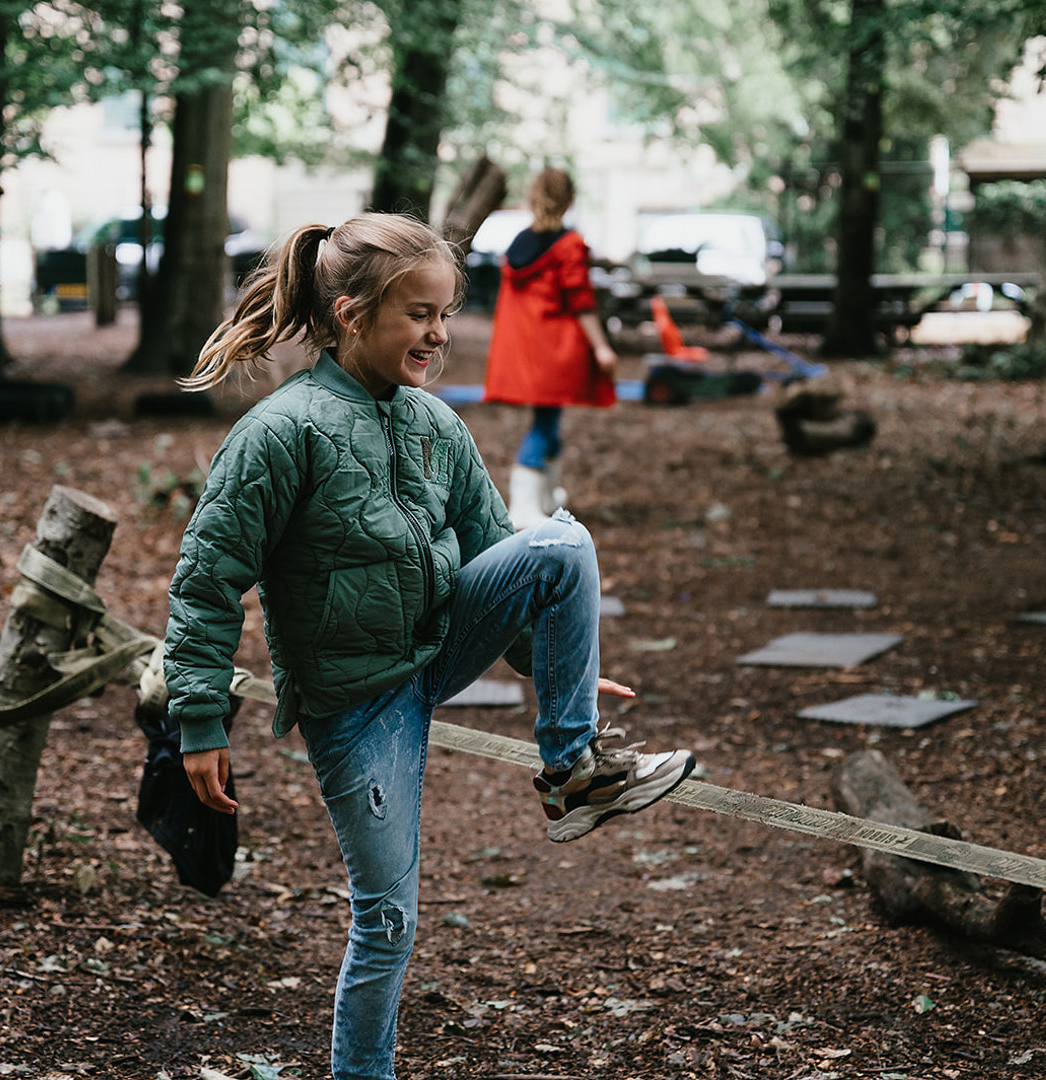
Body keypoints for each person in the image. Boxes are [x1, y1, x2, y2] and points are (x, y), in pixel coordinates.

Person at [164, 212, 695, 1080]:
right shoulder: (281, 432)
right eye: (419, 314)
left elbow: (496, 556)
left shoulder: (433, 424)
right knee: (388, 921)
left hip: (436, 646)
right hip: (353, 700)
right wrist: (199, 720)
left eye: (445, 313)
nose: (439, 333)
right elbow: (207, 579)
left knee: (560, 544)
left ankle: (573, 772)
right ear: (350, 314)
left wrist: (561, 669)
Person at [484, 167, 618, 528]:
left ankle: (544, 496)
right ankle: (523, 507)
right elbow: (581, 301)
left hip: (524, 349)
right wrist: (602, 347)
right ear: (570, 200)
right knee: (545, 424)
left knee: (549, 421)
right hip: (555, 350)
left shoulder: (518, 245)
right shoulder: (568, 245)